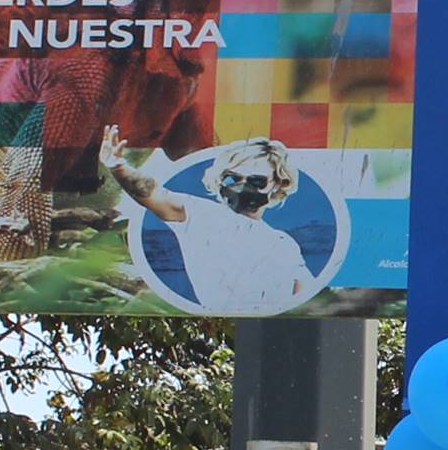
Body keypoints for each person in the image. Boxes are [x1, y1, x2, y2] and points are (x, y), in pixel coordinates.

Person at [101, 124, 319, 313]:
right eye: (232, 178)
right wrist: (118, 167)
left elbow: (308, 297)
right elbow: (153, 193)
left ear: (277, 184)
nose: (242, 187)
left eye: (257, 181)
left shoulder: (284, 244)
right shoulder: (200, 215)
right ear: (220, 179)